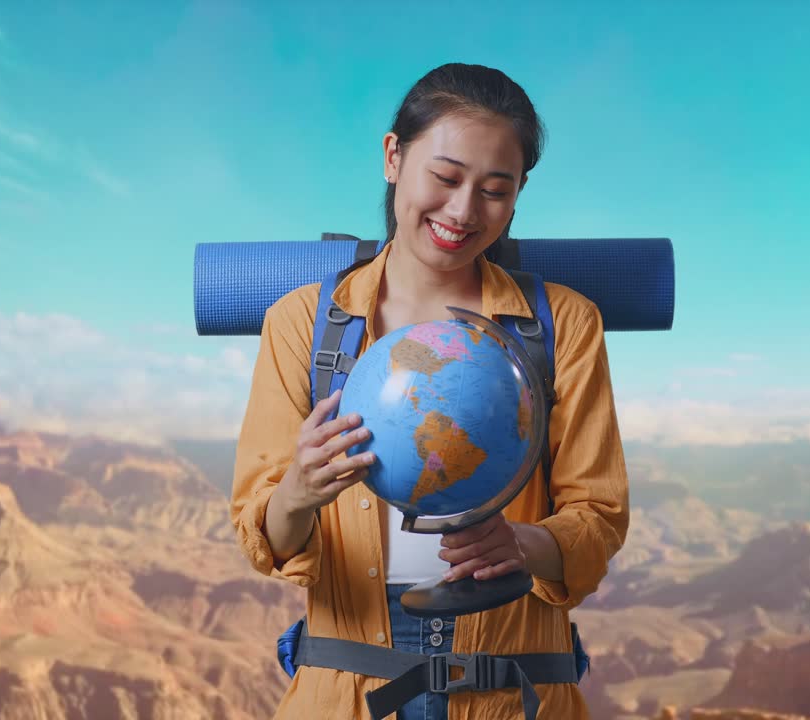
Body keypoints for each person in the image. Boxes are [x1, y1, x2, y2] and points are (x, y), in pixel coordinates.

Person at [231, 62, 629, 720]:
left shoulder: (565, 326)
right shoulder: (302, 323)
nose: (463, 211)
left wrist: (525, 544)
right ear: (393, 157)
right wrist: (298, 492)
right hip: (345, 697)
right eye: (444, 178)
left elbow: (599, 519)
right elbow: (267, 538)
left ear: (520, 191)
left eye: (495, 190)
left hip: (515, 698)